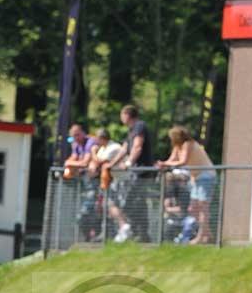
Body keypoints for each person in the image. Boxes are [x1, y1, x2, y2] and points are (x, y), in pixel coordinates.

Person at [157, 126, 216, 244]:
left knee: (202, 207)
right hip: (196, 178)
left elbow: (182, 161)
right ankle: (208, 234)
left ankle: (201, 237)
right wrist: (164, 163)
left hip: (206, 176)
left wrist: (165, 164)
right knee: (193, 208)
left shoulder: (188, 144)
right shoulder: (178, 147)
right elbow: (172, 159)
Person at [105, 104, 153, 242]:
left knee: (130, 201)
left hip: (142, 171)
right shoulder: (131, 130)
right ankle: (142, 234)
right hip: (135, 171)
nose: (121, 118)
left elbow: (137, 147)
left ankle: (135, 231)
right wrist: (111, 164)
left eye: (122, 115)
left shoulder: (139, 126)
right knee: (138, 202)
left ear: (127, 115)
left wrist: (128, 163)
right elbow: (124, 149)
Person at [64, 124, 100, 240]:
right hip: (85, 186)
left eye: (77, 135)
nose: (76, 138)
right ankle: (89, 238)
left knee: (85, 214)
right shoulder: (76, 144)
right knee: (82, 216)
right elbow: (72, 158)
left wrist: (69, 164)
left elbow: (84, 163)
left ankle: (95, 237)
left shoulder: (90, 142)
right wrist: (70, 163)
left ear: (83, 133)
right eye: (73, 136)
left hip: (96, 185)